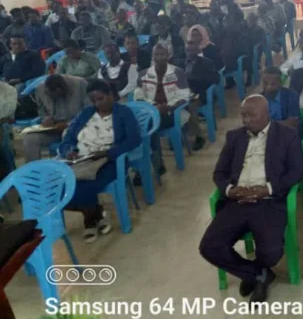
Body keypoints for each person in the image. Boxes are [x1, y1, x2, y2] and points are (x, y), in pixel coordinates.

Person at [200, 95, 303, 303]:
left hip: (268, 202)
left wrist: (268, 189)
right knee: (209, 247)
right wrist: (230, 190)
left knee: (271, 253)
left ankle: (256, 274)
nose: (246, 120)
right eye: (243, 115)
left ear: (266, 113)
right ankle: (257, 275)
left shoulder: (287, 135)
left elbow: (296, 173)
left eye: (251, 115)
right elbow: (219, 172)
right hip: (237, 201)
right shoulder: (234, 137)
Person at [58, 79, 141, 242]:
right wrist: (70, 152)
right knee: (59, 189)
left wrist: (107, 152)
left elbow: (134, 139)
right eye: (93, 100)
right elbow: (68, 137)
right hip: (81, 160)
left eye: (100, 99)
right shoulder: (86, 113)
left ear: (110, 95)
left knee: (84, 187)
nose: (97, 104)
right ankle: (98, 213)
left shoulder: (124, 113)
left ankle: (89, 222)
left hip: (109, 161)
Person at [134, 44, 192, 171]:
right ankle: (145, 163)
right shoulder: (144, 74)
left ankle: (154, 163)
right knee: (143, 126)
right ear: (152, 56)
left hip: (172, 113)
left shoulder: (177, 72)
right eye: (156, 54)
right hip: (150, 112)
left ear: (168, 55)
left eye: (163, 54)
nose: (159, 57)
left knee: (148, 126)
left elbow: (184, 95)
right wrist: (155, 107)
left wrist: (169, 107)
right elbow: (138, 97)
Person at [23, 74, 89, 162]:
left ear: (60, 90)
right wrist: (46, 119)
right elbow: (42, 112)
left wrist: (68, 124)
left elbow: (89, 111)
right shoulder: (40, 89)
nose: (54, 98)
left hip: (78, 128)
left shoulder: (81, 84)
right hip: (54, 128)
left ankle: (69, 167)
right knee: (30, 139)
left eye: (57, 95)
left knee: (67, 136)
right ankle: (34, 168)